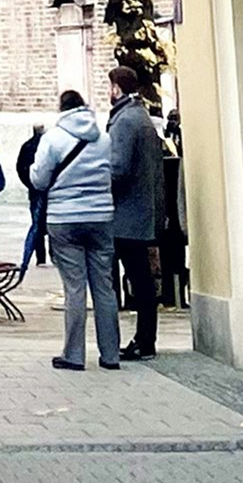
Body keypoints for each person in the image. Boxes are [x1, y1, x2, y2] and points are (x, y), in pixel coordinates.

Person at [29, 83, 121, 370]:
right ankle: (111, 355)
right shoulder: (104, 138)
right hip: (101, 217)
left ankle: (74, 355)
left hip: (64, 218)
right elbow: (112, 172)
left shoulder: (53, 138)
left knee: (75, 288)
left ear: (62, 110)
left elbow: (39, 180)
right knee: (104, 288)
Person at [105, 64, 165, 360]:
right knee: (141, 279)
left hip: (127, 215)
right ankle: (144, 339)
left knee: (136, 280)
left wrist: (100, 185)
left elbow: (118, 168)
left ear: (117, 88)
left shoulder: (125, 121)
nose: (109, 92)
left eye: (110, 86)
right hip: (142, 211)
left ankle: (143, 341)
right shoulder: (141, 117)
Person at [159, 108, 189, 309]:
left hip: (168, 216)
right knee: (176, 256)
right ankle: (176, 296)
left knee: (172, 256)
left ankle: (172, 296)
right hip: (173, 216)